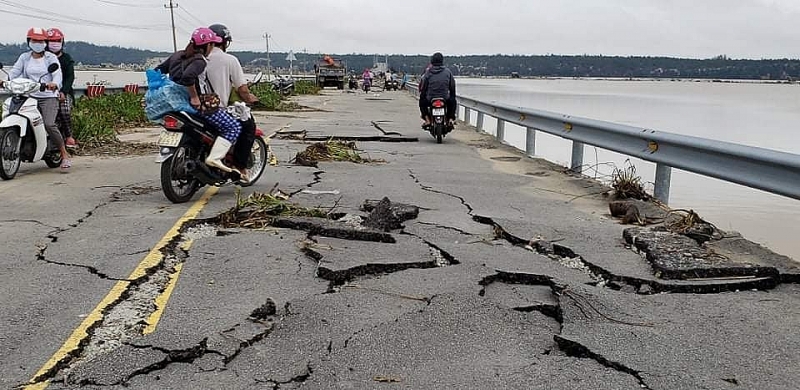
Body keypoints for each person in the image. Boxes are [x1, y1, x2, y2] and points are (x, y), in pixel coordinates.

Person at [155, 27, 243, 176]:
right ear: (207, 45)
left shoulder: (177, 55)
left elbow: (159, 70)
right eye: (211, 45)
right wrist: (195, 96)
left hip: (179, 103)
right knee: (233, 126)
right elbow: (188, 77)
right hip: (201, 106)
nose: (212, 48)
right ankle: (215, 158)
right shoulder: (200, 61)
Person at [1, 28, 71, 169]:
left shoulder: (51, 58)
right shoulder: (24, 57)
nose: (37, 43)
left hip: (47, 96)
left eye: (40, 41)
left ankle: (64, 154)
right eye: (34, 40)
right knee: (13, 113)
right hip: (28, 95)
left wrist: (54, 84)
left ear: (45, 42)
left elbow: (57, 74)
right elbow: (15, 72)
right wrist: (4, 80)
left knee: (49, 124)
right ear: (29, 42)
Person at [206, 23, 259, 182]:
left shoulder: (197, 58)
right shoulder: (229, 60)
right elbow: (243, 91)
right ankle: (239, 166)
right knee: (248, 125)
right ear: (224, 42)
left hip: (192, 107)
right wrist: (251, 99)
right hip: (215, 108)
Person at [46, 27, 77, 149]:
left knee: (64, 110)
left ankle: (69, 136)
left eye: (58, 41)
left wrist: (63, 91)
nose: (55, 44)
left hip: (62, 92)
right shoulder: (43, 58)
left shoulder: (66, 58)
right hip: (44, 91)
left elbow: (70, 77)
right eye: (51, 41)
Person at [419, 52, 456, 128]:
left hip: (430, 98)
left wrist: (423, 95)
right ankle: (451, 119)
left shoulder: (428, 72)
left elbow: (424, 87)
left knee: (421, 102)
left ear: (432, 61)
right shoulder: (448, 72)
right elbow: (452, 86)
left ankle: (427, 120)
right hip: (444, 97)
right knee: (453, 102)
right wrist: (452, 96)